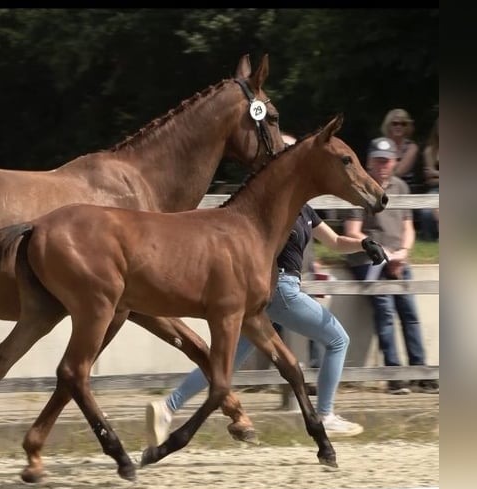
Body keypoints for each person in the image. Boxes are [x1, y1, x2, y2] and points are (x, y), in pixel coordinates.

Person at [144, 137, 388, 445]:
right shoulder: (271, 209)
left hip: (265, 297)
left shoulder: (302, 209)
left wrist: (363, 245)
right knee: (338, 339)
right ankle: (325, 415)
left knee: (225, 363)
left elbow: (335, 242)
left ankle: (167, 406)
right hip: (278, 291)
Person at [344, 136, 438, 395]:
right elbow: (352, 231)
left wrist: (403, 252)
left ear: (395, 162)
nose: (383, 165)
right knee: (385, 309)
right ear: (369, 162)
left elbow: (408, 227)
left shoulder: (400, 187)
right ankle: (394, 375)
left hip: (396, 256)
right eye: (378, 160)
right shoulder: (360, 187)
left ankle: (420, 373)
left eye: (388, 160)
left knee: (409, 312)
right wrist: (383, 253)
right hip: (370, 257)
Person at [380, 108, 420, 188]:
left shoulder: (412, 147)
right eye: (395, 123)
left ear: (407, 127)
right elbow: (375, 169)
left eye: (403, 124)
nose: (399, 126)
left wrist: (386, 168)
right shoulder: (381, 144)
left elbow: (399, 172)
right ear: (388, 125)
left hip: (403, 187)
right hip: (381, 185)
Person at [421, 116, 439, 240]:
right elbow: (430, 180)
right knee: (428, 210)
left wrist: (435, 172)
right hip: (437, 188)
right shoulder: (429, 151)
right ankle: (430, 237)